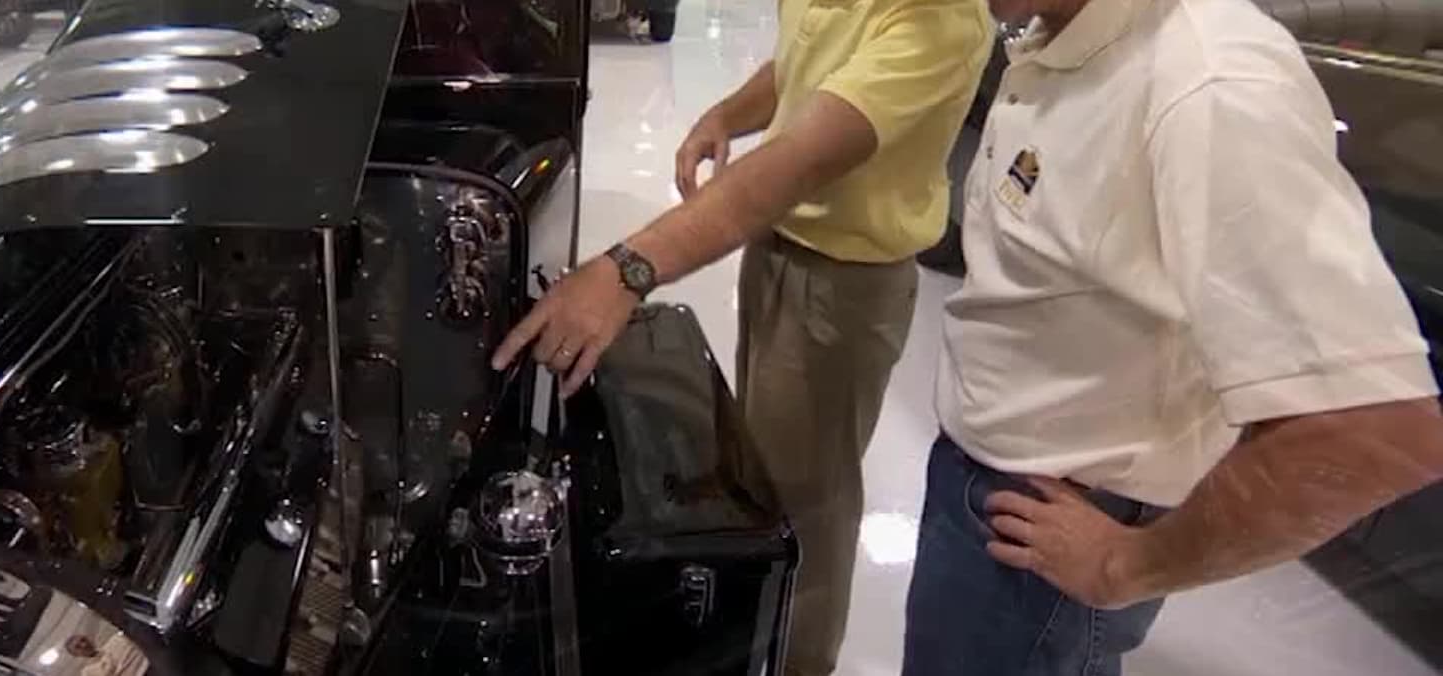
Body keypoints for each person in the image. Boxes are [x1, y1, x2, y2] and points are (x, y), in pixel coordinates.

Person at [902, 0, 1443, 673]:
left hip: (1046, 537)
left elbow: (1372, 428)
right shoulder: (1063, 36)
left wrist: (1125, 565)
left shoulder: (1210, 84)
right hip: (994, 493)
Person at [490, 0, 991, 672]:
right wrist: (726, 115)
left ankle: (796, 661)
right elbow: (801, 66)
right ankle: (751, 631)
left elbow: (795, 164)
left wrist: (627, 270)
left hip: (844, 286)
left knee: (805, 509)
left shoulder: (941, 23)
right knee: (757, 467)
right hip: (779, 246)